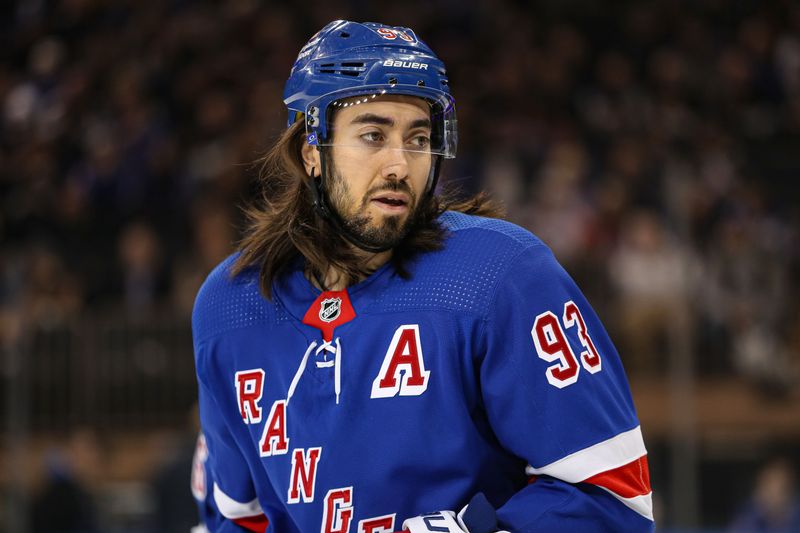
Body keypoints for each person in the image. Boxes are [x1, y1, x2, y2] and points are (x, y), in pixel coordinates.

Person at [192, 20, 654, 533]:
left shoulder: (502, 275)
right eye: (372, 135)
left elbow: (612, 497)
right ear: (311, 151)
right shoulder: (229, 307)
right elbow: (238, 518)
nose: (399, 163)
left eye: (418, 138)